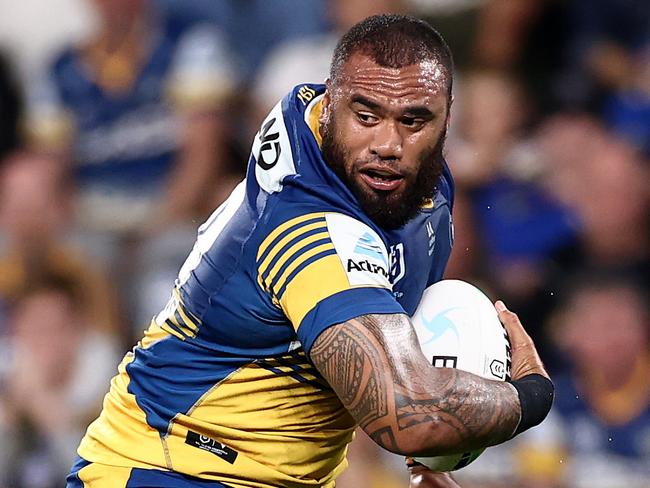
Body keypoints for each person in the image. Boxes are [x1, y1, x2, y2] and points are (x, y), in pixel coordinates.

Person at [67, 15, 553, 488]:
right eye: (366, 116)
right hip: (170, 470)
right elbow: (407, 417)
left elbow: (378, 364)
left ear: (447, 119)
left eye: (413, 120)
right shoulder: (309, 230)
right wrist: (529, 394)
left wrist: (423, 465)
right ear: (334, 101)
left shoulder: (417, 190)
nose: (387, 143)